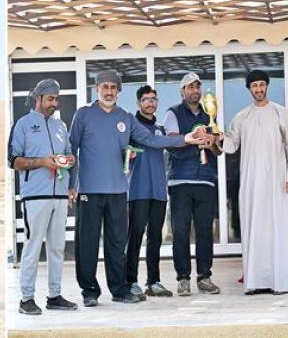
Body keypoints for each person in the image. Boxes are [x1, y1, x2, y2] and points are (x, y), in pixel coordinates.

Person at [69, 70, 209, 307]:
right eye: (105, 87)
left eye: (114, 87)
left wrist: (186, 139)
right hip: (88, 191)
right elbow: (71, 149)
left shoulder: (125, 117)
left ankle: (119, 289)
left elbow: (152, 140)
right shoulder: (83, 115)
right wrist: (71, 184)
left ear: (119, 91)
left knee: (116, 243)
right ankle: (89, 291)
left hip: (118, 191)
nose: (109, 91)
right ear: (97, 89)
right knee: (88, 242)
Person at [217, 69, 288, 295]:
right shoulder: (242, 116)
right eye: (254, 86)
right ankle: (255, 281)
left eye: (262, 85)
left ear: (267, 86)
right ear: (249, 89)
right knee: (255, 228)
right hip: (251, 182)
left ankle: (281, 282)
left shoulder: (280, 112)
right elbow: (232, 145)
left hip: (277, 181)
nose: (259, 89)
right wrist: (218, 136)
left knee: (278, 229)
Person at [8, 78, 78, 315]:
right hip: (35, 196)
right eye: (50, 99)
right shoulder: (23, 125)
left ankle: (54, 296)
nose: (54, 103)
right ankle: (26, 299)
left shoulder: (61, 127)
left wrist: (69, 163)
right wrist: (41, 162)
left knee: (57, 248)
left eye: (56, 99)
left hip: (59, 196)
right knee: (32, 247)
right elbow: (14, 161)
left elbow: (69, 155)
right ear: (37, 99)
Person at [163, 72, 221, 296]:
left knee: (206, 232)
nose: (195, 90)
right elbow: (171, 143)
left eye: (197, 86)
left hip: (206, 180)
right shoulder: (173, 113)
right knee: (181, 232)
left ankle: (204, 277)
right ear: (182, 91)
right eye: (190, 87)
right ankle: (183, 278)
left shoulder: (210, 114)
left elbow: (218, 151)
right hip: (180, 182)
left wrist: (212, 143)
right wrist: (195, 142)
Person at [125, 85, 173, 299]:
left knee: (156, 237)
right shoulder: (131, 128)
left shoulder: (161, 129)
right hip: (138, 190)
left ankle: (153, 282)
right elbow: (121, 155)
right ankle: (131, 281)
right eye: (146, 99)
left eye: (153, 99)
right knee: (135, 237)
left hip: (159, 191)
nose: (150, 103)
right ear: (138, 103)